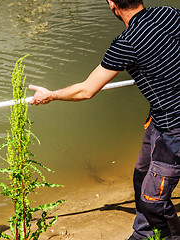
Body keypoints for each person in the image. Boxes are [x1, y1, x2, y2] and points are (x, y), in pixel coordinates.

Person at [29, 0, 180, 239]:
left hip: (174, 129)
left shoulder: (126, 43)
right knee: (142, 174)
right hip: (159, 117)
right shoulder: (169, 14)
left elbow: (86, 90)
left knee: (153, 200)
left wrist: (51, 95)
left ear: (112, 5)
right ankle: (143, 231)